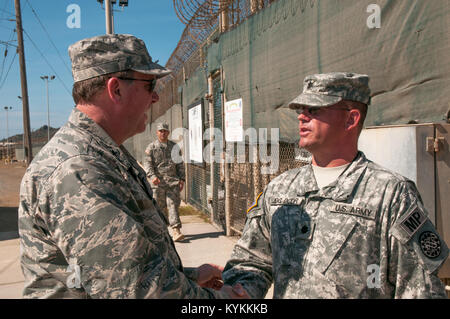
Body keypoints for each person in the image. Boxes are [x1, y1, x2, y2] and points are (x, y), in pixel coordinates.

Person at [18, 34, 233, 298]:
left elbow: (117, 270)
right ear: (116, 89)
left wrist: (189, 277)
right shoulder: (78, 169)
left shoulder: (100, 153)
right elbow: (136, 290)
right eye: (149, 84)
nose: (155, 97)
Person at [221, 72, 449, 298]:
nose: (302, 117)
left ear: (351, 119)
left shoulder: (390, 193)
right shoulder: (280, 189)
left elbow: (420, 289)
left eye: (315, 110)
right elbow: (252, 260)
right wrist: (242, 291)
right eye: (301, 110)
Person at [144, 123, 185, 242]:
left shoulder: (174, 147)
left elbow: (180, 164)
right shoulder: (151, 147)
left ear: (168, 132)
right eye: (161, 131)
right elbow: (148, 164)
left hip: (172, 182)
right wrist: (152, 176)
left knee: (173, 206)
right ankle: (162, 230)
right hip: (158, 183)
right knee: (160, 207)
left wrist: (182, 179)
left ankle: (176, 230)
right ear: (157, 132)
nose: (163, 133)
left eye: (165, 131)